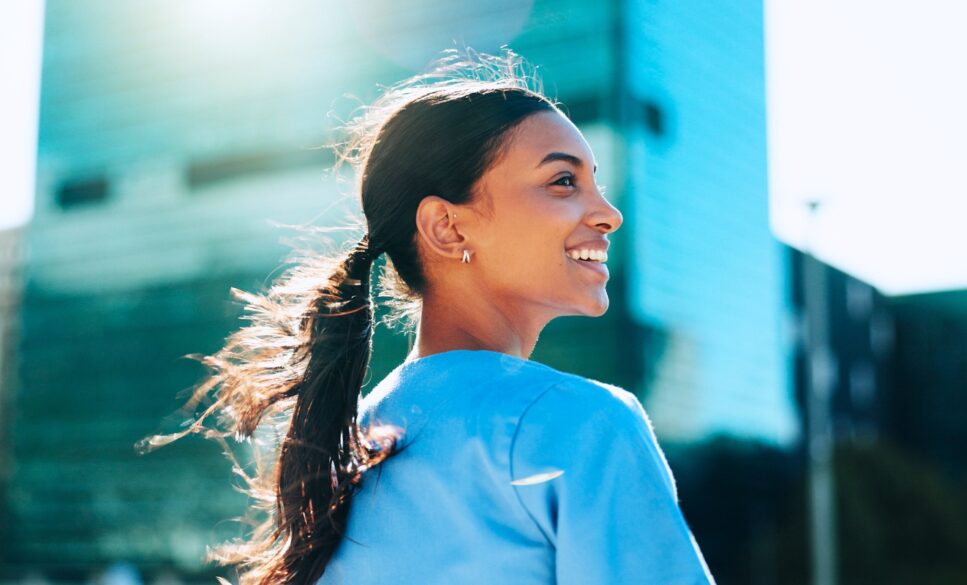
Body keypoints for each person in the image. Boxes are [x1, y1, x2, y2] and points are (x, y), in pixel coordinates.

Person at [140, 49, 715, 585]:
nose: (608, 213)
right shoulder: (581, 423)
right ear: (448, 227)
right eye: (563, 181)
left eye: (596, 183)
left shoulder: (345, 453)